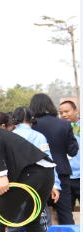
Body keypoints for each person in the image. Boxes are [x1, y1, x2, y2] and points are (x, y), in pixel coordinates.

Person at [30, 93, 79, 225]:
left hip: (38, 175)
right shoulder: (65, 125)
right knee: (65, 213)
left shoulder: (31, 126)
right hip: (61, 173)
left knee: (37, 214)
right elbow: (73, 151)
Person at [58, 100, 80, 212]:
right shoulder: (59, 128)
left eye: (66, 111)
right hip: (66, 177)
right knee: (66, 212)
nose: (64, 115)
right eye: (61, 113)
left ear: (76, 110)